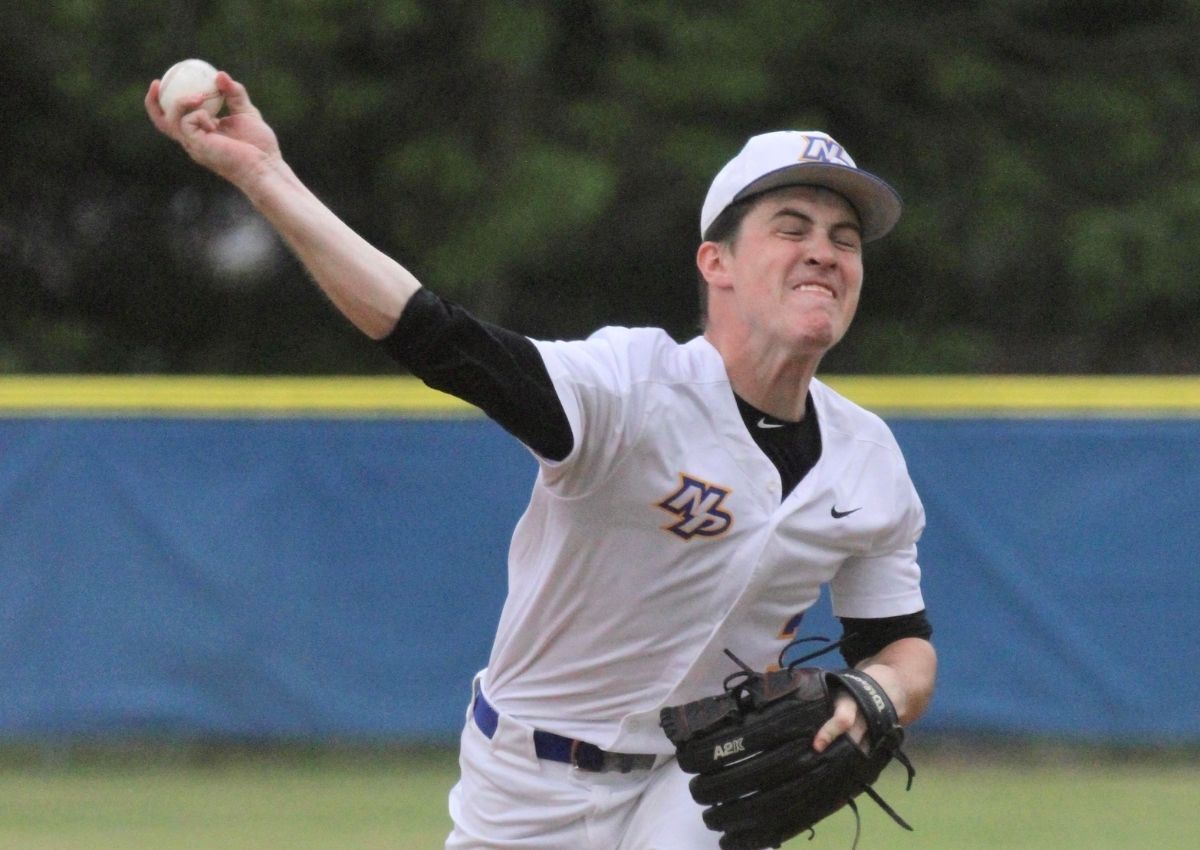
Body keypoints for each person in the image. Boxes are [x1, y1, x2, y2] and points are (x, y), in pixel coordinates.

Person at [147, 71, 937, 849]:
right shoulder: (630, 391)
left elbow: (903, 645)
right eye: (792, 229)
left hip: (699, 787)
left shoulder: (866, 459)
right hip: (530, 782)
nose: (824, 253)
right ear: (716, 263)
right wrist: (264, 174)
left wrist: (880, 690)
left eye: (844, 239)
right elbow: (434, 336)